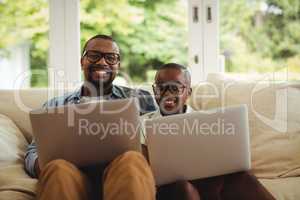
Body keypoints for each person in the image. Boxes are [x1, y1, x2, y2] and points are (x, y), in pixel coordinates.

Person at [25, 34, 157, 200]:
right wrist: (45, 163)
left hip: (123, 176)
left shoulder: (140, 99)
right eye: (94, 56)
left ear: (118, 65)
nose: (102, 62)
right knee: (57, 168)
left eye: (111, 58)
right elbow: (33, 152)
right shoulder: (55, 105)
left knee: (132, 160)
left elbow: (160, 143)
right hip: (73, 179)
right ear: (82, 62)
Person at [142, 63, 275, 200]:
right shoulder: (141, 124)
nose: (167, 93)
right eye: (160, 87)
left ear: (188, 92)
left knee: (243, 178)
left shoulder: (208, 122)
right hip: (170, 189)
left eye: (175, 88)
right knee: (184, 188)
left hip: (210, 185)